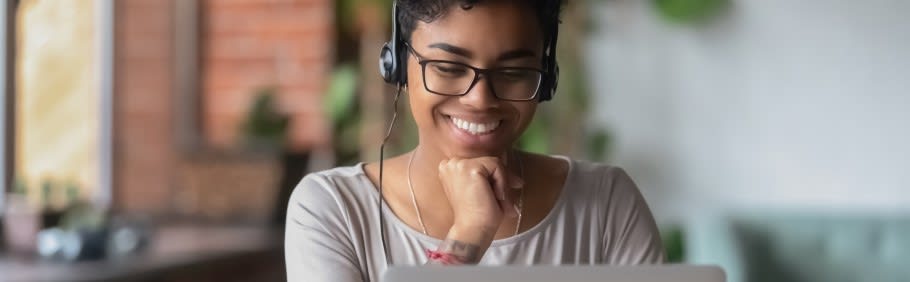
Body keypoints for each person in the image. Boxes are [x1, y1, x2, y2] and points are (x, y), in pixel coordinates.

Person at [285, 0, 665, 281]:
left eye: (514, 72)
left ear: (546, 78)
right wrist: (469, 233)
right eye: (448, 68)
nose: (480, 100)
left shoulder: (606, 204)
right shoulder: (333, 210)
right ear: (398, 65)